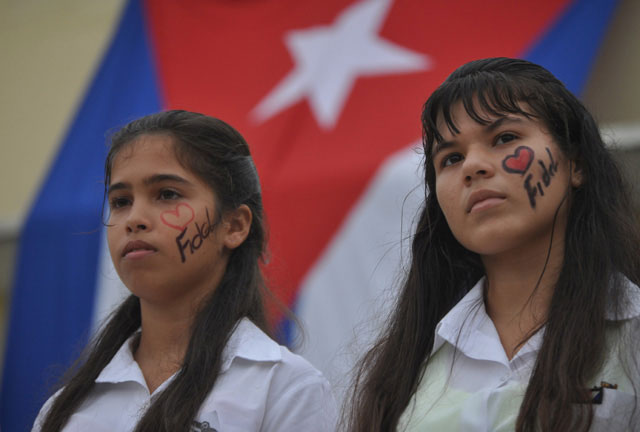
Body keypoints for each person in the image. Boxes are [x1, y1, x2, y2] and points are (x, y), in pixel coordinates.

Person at [347, 58, 640, 431]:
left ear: (576, 165)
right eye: (450, 158)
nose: (473, 166)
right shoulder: (408, 362)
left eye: (504, 138)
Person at [32, 110, 337, 432]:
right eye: (121, 201)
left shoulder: (285, 388)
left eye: (167, 194)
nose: (135, 218)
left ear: (234, 226)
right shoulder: (64, 411)